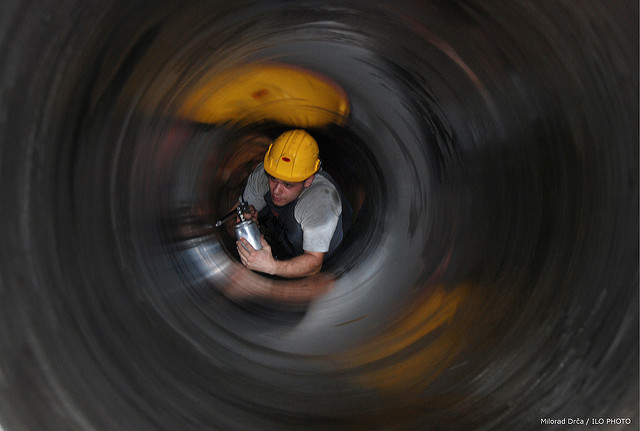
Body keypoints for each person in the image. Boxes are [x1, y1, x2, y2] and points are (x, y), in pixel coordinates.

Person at [234, 129, 351, 278]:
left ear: (308, 181)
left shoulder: (320, 201)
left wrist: (271, 266)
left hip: (326, 254)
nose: (276, 190)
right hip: (286, 232)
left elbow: (315, 262)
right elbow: (237, 213)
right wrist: (246, 218)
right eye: (273, 179)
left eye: (287, 185)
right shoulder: (265, 173)